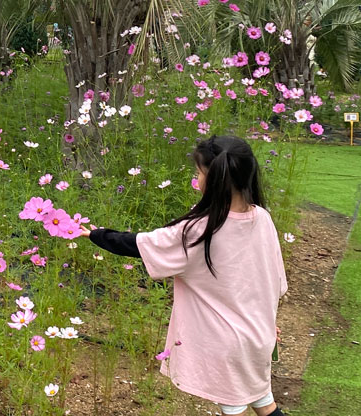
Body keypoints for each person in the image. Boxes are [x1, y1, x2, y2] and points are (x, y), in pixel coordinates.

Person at [85, 134, 288, 415]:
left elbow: (142, 245)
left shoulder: (201, 229)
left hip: (225, 341)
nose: (197, 179)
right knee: (264, 401)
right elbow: (274, 281)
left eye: (199, 173)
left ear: (214, 179)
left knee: (236, 408)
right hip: (259, 335)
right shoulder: (262, 218)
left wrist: (96, 235)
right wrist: (268, 322)